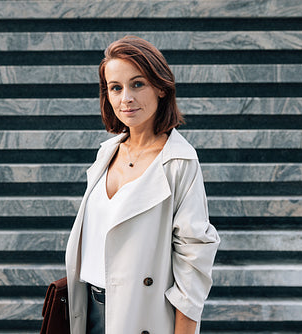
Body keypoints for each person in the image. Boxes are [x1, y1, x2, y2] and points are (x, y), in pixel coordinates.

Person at [65, 36, 220, 334]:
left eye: (138, 84)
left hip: (141, 315)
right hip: (86, 309)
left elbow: (194, 262)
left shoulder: (179, 162)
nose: (126, 98)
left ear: (161, 87)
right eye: (116, 87)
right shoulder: (106, 152)